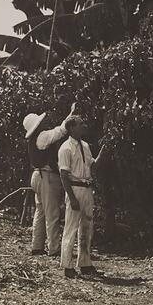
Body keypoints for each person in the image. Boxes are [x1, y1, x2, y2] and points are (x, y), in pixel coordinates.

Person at [24, 103, 76, 257]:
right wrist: (70, 115)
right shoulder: (41, 136)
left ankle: (37, 246)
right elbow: (59, 132)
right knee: (52, 212)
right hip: (45, 176)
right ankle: (54, 248)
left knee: (40, 212)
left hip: (37, 176)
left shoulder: (33, 139)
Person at [58, 115, 104, 278]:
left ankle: (85, 263)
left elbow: (93, 165)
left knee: (87, 227)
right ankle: (67, 266)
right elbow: (63, 175)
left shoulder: (85, 146)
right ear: (71, 128)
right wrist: (71, 198)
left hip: (86, 189)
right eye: (80, 124)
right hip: (75, 189)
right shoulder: (65, 148)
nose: (83, 126)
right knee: (71, 228)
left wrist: (105, 149)